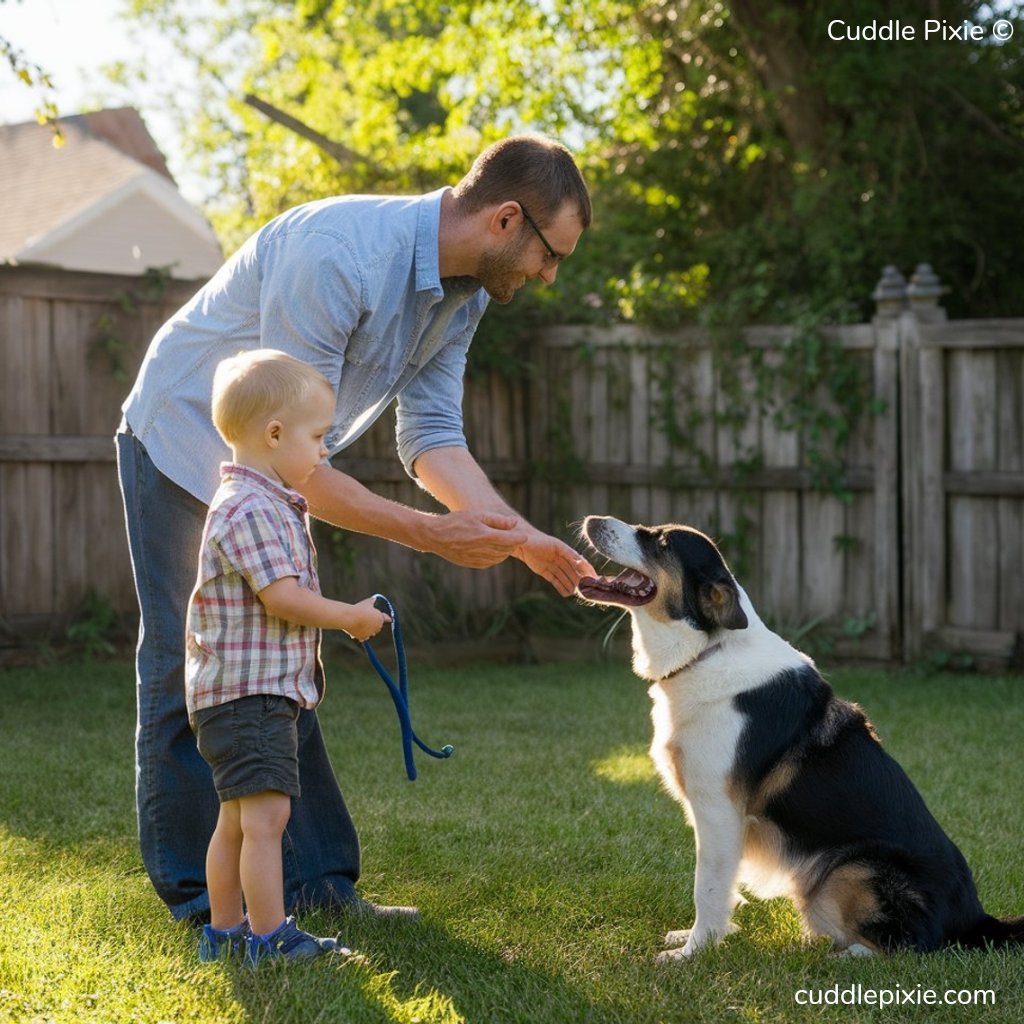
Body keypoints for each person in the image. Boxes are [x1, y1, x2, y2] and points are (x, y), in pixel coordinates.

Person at [116, 132, 596, 924]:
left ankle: (320, 889)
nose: (549, 276)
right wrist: (429, 534)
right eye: (552, 255)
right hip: (177, 441)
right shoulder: (338, 254)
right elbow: (291, 459)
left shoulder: (463, 295)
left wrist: (519, 537)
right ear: (508, 220)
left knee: (282, 660)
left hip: (272, 471)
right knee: (192, 666)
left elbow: (432, 433)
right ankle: (207, 902)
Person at [188, 350, 390, 963]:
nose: (323, 452)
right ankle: (272, 936)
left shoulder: (254, 500)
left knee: (236, 821)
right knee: (267, 821)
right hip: (249, 699)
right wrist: (349, 616)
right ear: (274, 434)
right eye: (319, 437)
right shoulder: (252, 508)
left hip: (233, 696)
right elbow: (282, 598)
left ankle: (225, 933)